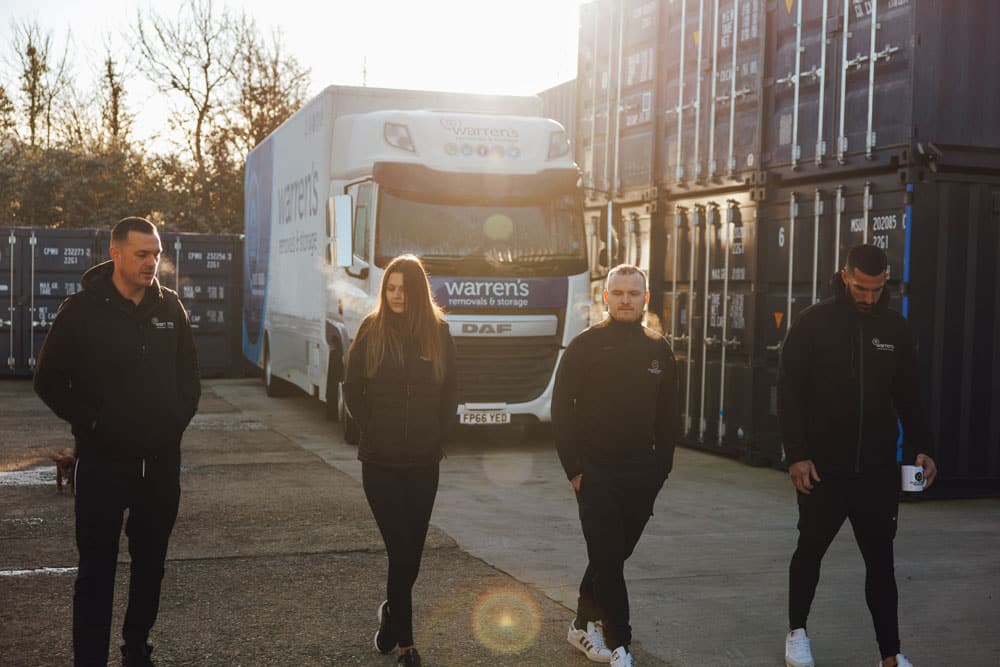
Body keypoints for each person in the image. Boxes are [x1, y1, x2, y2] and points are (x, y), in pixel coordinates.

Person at [33, 217, 201, 667]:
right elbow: (48, 379)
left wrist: (172, 424)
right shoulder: (82, 310)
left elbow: (190, 381)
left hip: (160, 466)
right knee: (96, 572)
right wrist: (92, 424)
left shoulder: (171, 310)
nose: (152, 262)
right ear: (116, 255)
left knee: (151, 566)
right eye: (142, 254)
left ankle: (136, 645)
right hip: (103, 465)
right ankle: (90, 658)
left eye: (156, 253)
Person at [778, 244, 938, 667]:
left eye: (877, 289)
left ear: (886, 281)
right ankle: (797, 633)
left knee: (881, 565)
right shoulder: (814, 322)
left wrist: (923, 447)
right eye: (861, 288)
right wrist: (796, 455)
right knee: (809, 552)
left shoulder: (895, 329)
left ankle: (890, 654)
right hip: (822, 470)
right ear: (845, 276)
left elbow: (909, 396)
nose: (869, 297)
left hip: (877, 471)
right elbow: (789, 392)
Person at [552, 264, 680, 667]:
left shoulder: (659, 348)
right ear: (605, 298)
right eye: (618, 292)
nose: (626, 299)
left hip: (642, 474)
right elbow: (561, 410)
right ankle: (621, 643)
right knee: (608, 557)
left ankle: (581, 623)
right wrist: (574, 468)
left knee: (610, 558)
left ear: (645, 298)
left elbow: (669, 416)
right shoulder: (584, 346)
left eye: (633, 293)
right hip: (596, 473)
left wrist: (661, 470)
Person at [343, 254, 458, 667]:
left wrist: (438, 433)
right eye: (390, 288)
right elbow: (352, 386)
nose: (395, 295)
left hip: (424, 462)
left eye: (403, 289)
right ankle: (408, 646)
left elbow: (451, 391)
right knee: (401, 551)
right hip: (381, 463)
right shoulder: (371, 329)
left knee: (413, 553)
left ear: (417, 292)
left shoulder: (438, 332)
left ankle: (392, 615)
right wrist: (371, 428)